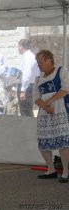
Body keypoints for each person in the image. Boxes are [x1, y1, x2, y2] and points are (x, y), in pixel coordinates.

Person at [33, 50, 69, 183]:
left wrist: (48, 102)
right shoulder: (38, 78)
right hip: (45, 112)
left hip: (60, 109)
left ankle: (66, 171)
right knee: (43, 140)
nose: (38, 65)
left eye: (40, 62)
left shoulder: (61, 71)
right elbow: (36, 98)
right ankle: (51, 169)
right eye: (37, 62)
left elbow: (65, 89)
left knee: (63, 141)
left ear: (49, 60)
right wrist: (44, 107)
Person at [17, 39, 40, 117]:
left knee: (25, 111)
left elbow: (26, 74)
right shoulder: (31, 56)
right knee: (28, 110)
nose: (17, 48)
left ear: (21, 47)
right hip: (30, 86)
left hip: (26, 87)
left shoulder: (27, 57)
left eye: (18, 46)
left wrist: (23, 90)